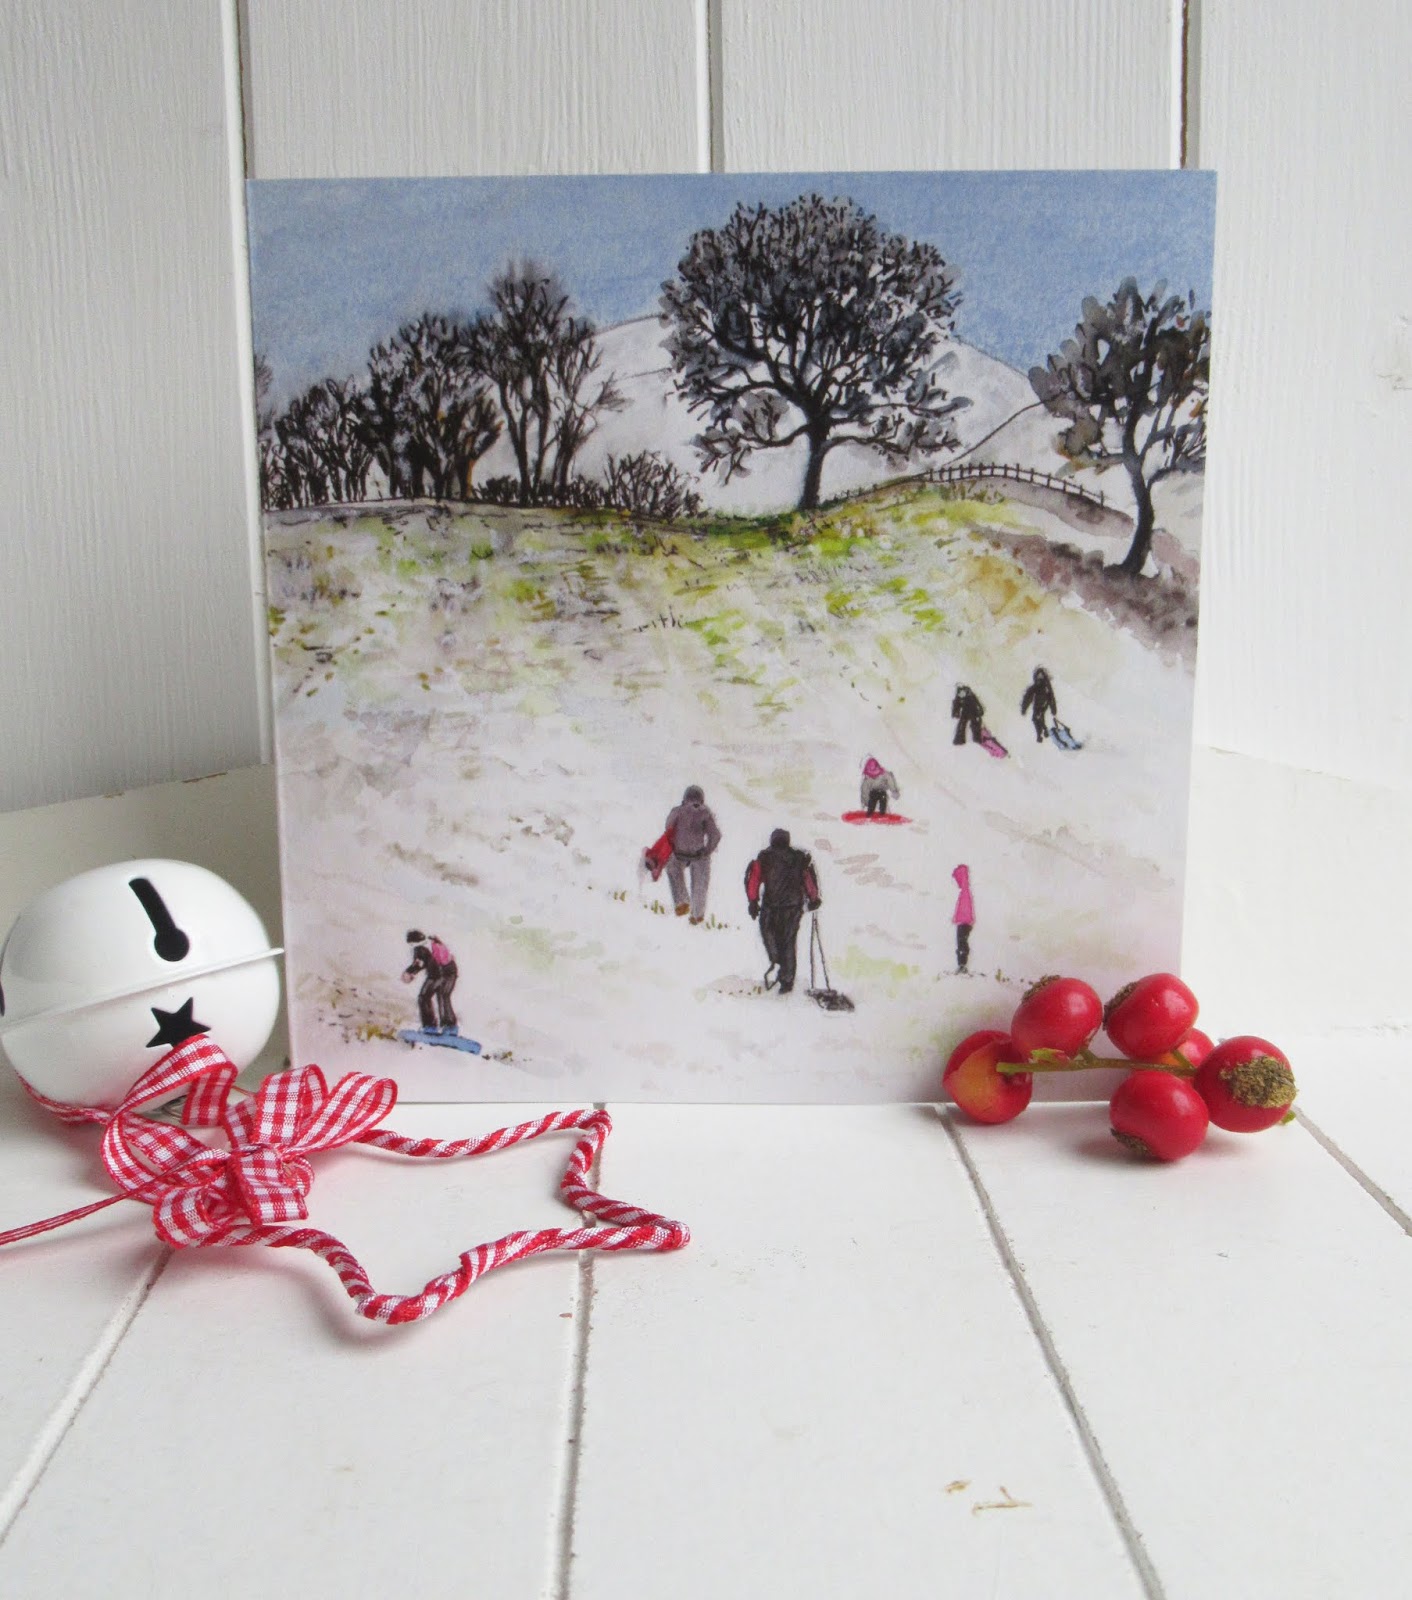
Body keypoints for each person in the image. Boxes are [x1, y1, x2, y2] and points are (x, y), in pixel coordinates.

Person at [744, 828, 821, 996]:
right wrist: (813, 898)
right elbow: (808, 879)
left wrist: (753, 901)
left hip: (771, 907)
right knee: (788, 942)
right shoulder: (799, 858)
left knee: (769, 934)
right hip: (792, 908)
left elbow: (754, 879)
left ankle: (778, 962)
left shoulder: (764, 857)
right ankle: (787, 978)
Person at [663, 785, 722, 925]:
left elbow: (668, 828)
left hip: (679, 853)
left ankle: (681, 901)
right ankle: (697, 915)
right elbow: (715, 835)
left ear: (685, 798)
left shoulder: (676, 811)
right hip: (698, 854)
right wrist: (707, 850)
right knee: (701, 880)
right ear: (701, 799)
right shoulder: (705, 812)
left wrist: (676, 843)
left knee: (672, 867)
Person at [402, 929, 458, 1033]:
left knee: (423, 997)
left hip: (437, 975)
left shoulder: (420, 949)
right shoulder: (434, 941)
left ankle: (429, 1026)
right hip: (451, 972)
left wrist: (409, 972)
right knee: (444, 996)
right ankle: (450, 1027)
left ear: (412, 942)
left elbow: (419, 964)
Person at [1020, 667, 1058, 742]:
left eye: (1041, 676)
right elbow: (1028, 697)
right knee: (1038, 718)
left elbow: (1051, 697)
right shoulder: (1042, 686)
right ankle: (1043, 731)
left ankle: (1041, 733)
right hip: (1039, 705)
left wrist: (1053, 708)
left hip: (1041, 705)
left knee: (1036, 718)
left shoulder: (1044, 687)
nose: (1040, 678)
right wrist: (1024, 708)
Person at [951, 865, 974, 973]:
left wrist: (958, 918)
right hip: (964, 921)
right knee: (962, 942)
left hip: (964, 922)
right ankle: (962, 964)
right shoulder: (965, 890)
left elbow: (964, 907)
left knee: (961, 942)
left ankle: (962, 965)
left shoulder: (965, 890)